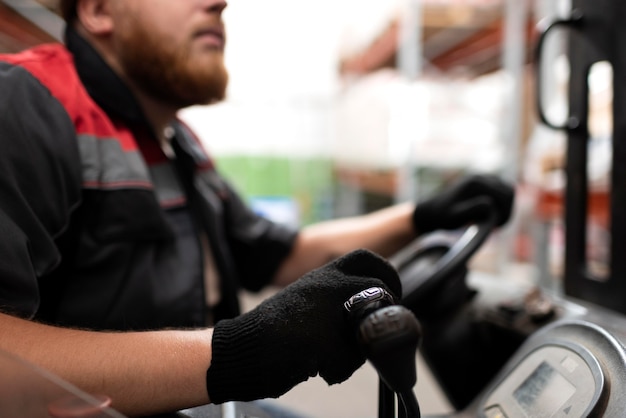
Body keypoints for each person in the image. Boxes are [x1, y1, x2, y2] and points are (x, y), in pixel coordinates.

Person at [0, 0, 514, 416]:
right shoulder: (26, 107)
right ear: (97, 10)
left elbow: (281, 254)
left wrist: (419, 217)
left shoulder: (181, 145)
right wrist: (243, 351)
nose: (220, 3)